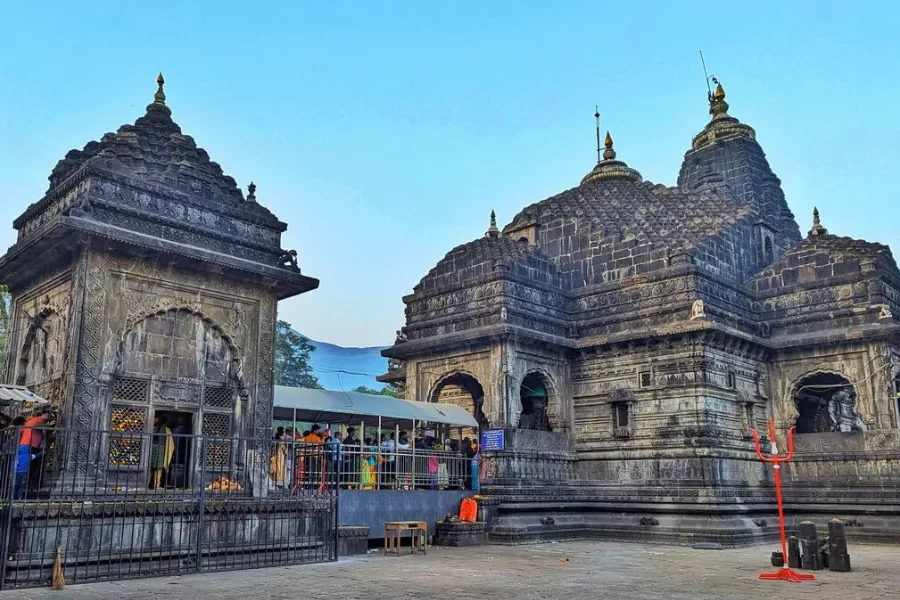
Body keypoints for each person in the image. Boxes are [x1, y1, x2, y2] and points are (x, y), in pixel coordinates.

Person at [149, 416, 174, 490]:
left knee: (158, 468)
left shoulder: (164, 429)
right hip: (155, 449)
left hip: (160, 450)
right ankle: (155, 485)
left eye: (156, 418)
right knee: (155, 468)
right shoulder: (153, 427)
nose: (155, 420)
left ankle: (156, 484)